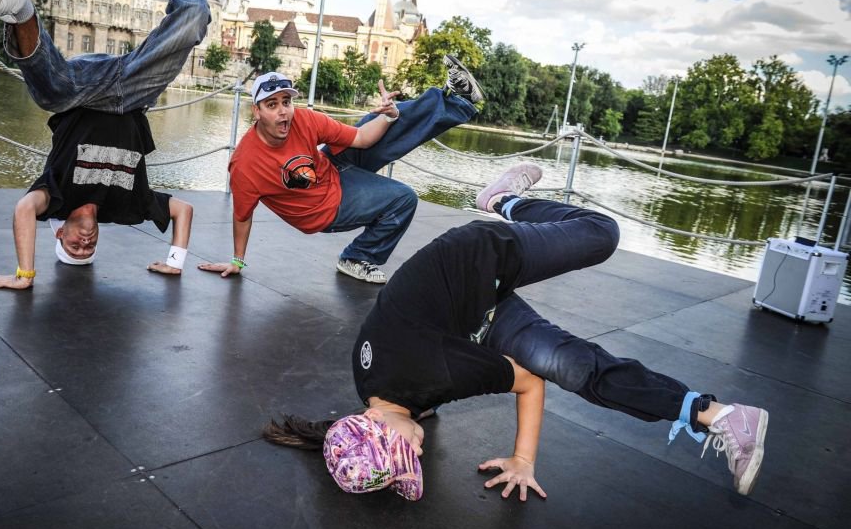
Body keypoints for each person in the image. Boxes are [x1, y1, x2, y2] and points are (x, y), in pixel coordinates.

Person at [264, 162, 769, 501]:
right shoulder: (372, 388)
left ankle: (504, 199)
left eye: (404, 454)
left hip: (481, 256)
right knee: (576, 366)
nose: (414, 457)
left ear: (377, 424)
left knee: (601, 235)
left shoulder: (428, 371)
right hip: (473, 317)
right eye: (409, 463)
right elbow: (423, 383)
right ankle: (719, 415)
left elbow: (527, 381)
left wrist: (523, 459)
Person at [0, 0, 214, 290]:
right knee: (194, 21)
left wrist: (25, 275)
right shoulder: (125, 207)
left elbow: (23, 210)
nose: (84, 244)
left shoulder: (57, 198)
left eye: (74, 248)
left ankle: (20, 8)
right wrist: (175, 262)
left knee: (50, 95)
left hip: (78, 89)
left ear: (59, 233)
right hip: (129, 91)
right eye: (88, 251)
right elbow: (183, 211)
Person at [198, 58, 483, 284]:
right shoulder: (246, 164)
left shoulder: (304, 119)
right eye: (272, 105)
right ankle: (357, 257)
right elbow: (242, 216)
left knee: (379, 117)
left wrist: (390, 116)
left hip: (332, 168)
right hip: (322, 208)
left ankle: (456, 99)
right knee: (403, 198)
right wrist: (237, 262)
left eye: (287, 102)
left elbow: (361, 139)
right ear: (256, 111)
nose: (283, 112)